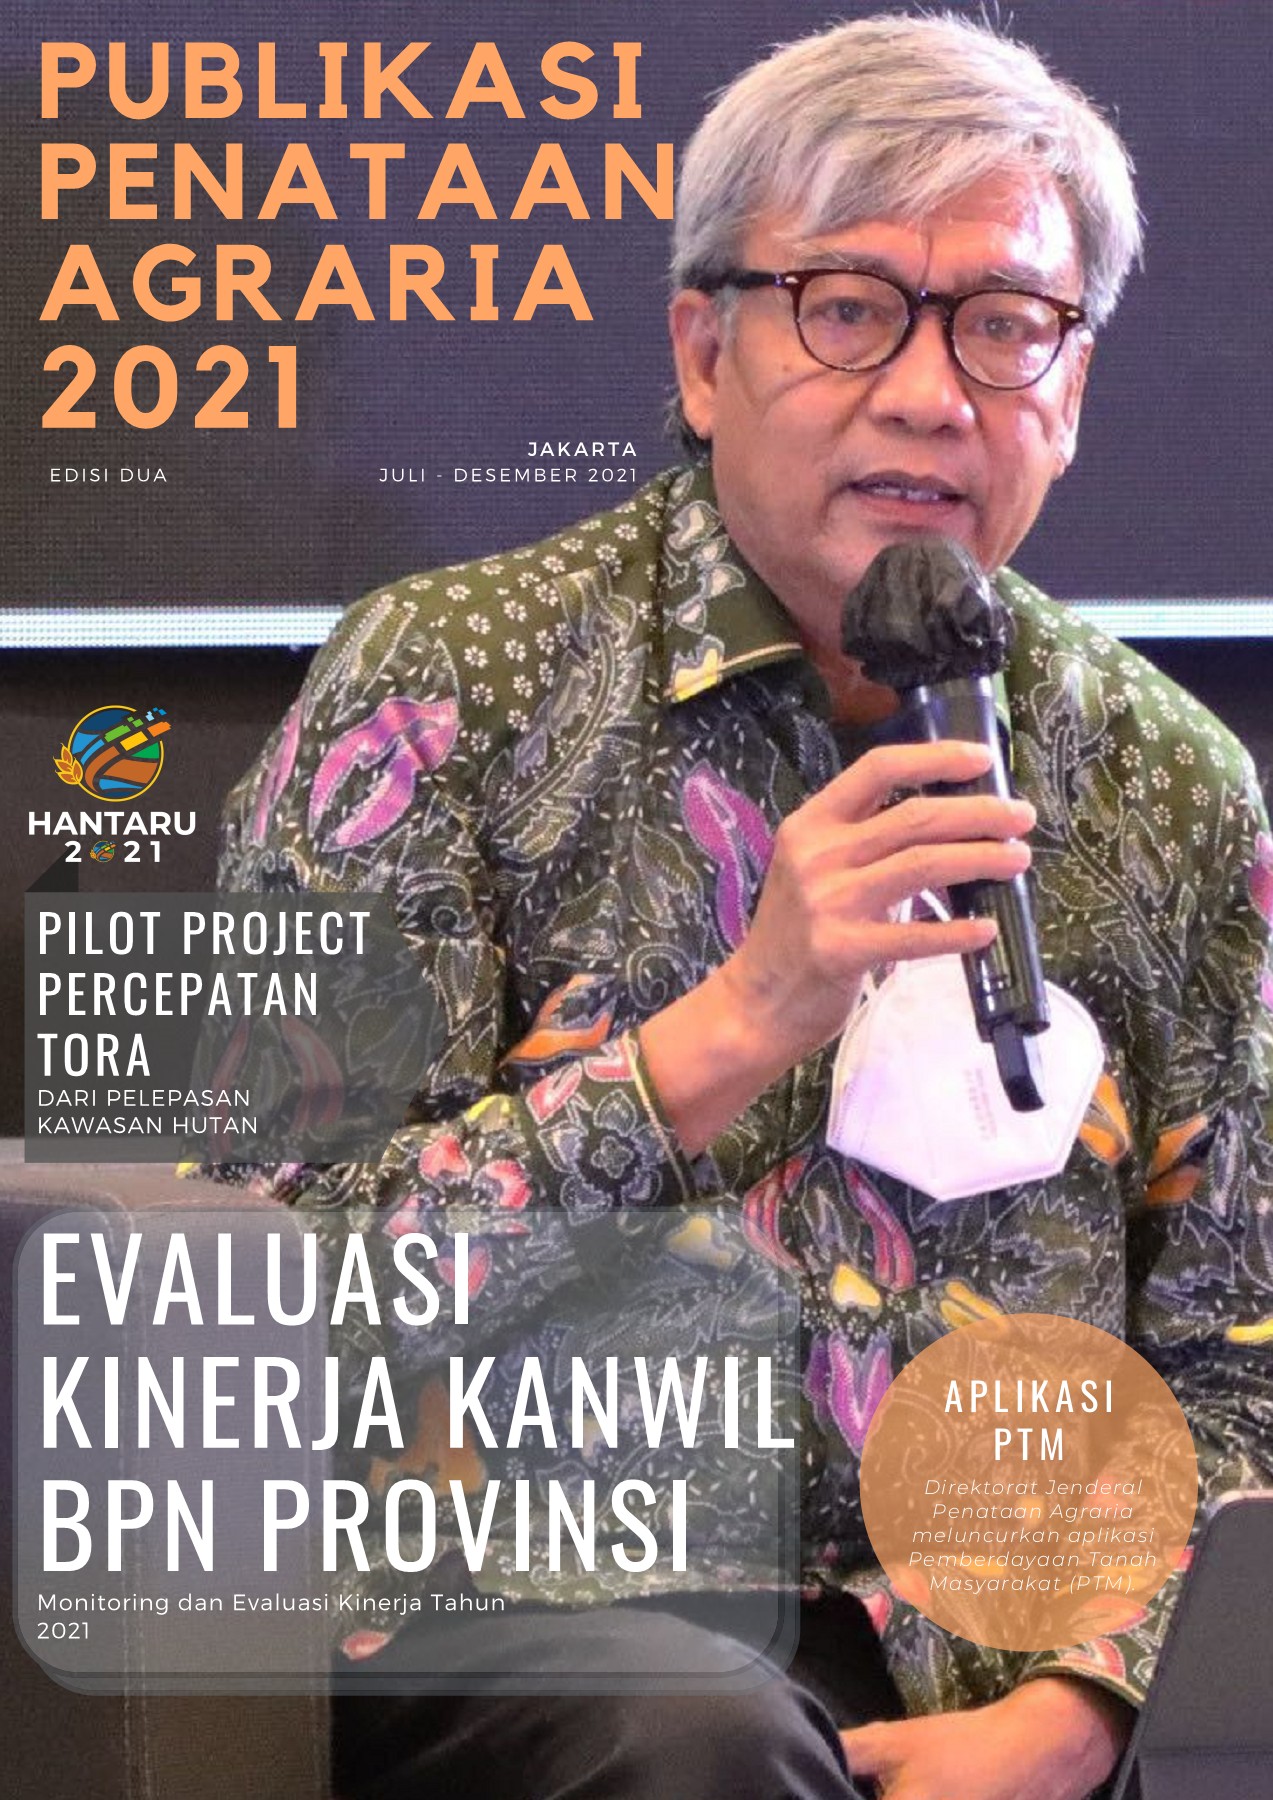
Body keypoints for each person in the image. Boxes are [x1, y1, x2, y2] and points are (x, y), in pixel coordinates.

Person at [219, 13, 1273, 1798]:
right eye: (848, 309)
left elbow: (1234, 1356)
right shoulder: (448, 689)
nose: (930, 394)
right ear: (705, 355)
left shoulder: (1165, 782)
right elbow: (241, 1311)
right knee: (702, 1742)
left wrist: (1082, 1712)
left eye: (1003, 325)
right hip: (540, 1622)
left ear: (1071, 390)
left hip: (990, 1659)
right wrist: (727, 1031)